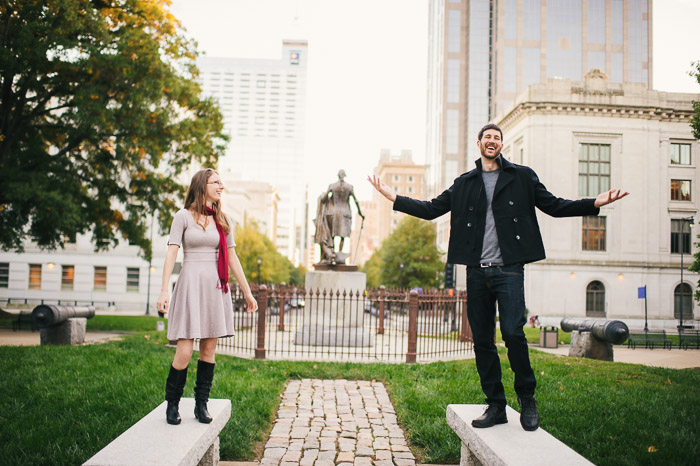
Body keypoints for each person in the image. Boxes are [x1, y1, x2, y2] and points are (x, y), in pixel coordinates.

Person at [369, 123, 628, 431]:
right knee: (482, 340)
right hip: (476, 272)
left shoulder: (522, 177)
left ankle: (527, 399)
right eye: (487, 137)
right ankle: (496, 405)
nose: (492, 141)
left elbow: (555, 206)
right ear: (479, 144)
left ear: (501, 145)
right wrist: (392, 196)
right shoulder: (464, 183)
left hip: (509, 269)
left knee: (513, 333)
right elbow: (430, 209)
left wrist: (594, 203)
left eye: (497, 137)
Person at [157, 168, 257, 425]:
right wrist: (164, 289)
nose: (221, 186)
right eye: (216, 182)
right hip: (190, 284)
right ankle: (173, 404)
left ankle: (202, 404)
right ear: (202, 186)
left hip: (214, 287)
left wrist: (247, 292)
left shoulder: (223, 220)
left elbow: (232, 258)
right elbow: (171, 253)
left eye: (221, 182)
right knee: (184, 351)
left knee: (209, 349)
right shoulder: (183, 217)